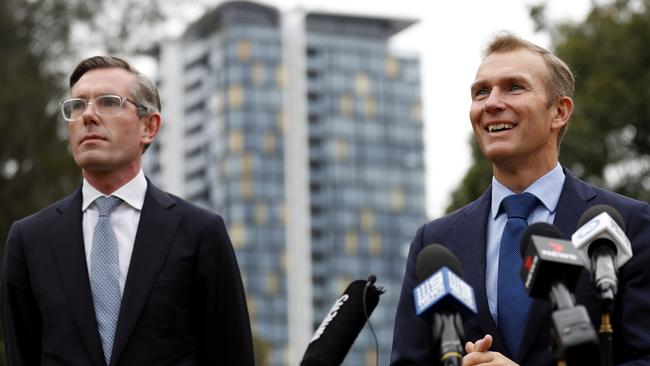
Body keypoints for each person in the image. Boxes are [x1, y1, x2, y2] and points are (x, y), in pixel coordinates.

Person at [390, 32, 650, 365]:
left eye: (513, 87)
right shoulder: (435, 243)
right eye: (481, 92)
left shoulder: (628, 225)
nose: (491, 103)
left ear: (559, 111)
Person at [1, 56, 254, 365]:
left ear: (149, 126)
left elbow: (230, 354)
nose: (88, 115)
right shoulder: (29, 239)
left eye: (108, 102)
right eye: (77, 105)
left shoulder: (200, 233)